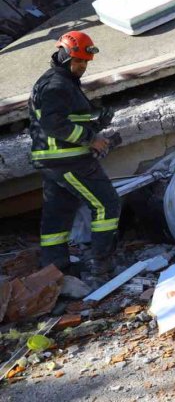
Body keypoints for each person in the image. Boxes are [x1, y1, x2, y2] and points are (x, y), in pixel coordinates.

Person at [29, 31, 120, 287]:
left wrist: (96, 123)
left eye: (85, 62)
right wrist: (92, 139)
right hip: (68, 161)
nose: (83, 66)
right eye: (79, 61)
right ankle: (100, 265)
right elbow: (53, 124)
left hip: (55, 162)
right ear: (66, 56)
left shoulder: (60, 82)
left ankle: (55, 269)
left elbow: (66, 119)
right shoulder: (57, 85)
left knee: (57, 217)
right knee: (106, 205)